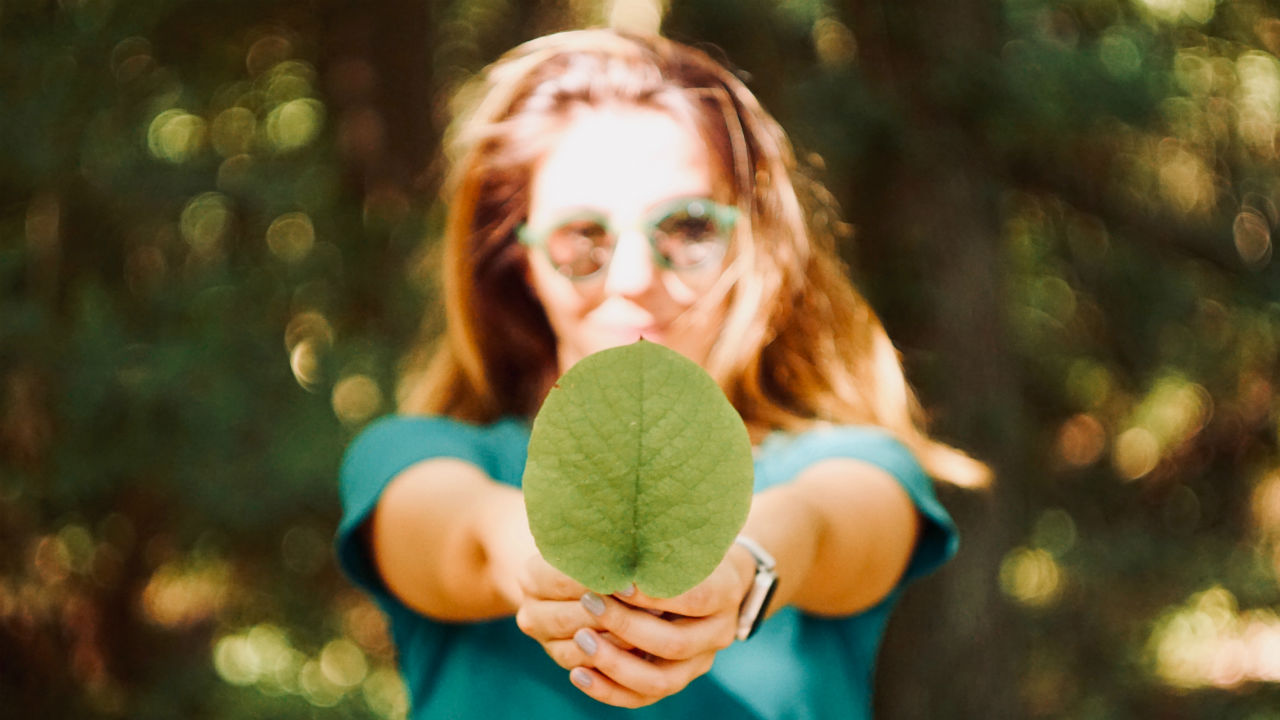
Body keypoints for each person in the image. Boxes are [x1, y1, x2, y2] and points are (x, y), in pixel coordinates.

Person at [335, 28, 988, 719]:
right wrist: (544, 564)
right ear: (519, 261)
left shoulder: (850, 464)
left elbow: (822, 527)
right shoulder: (411, 457)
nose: (635, 277)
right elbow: (462, 536)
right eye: (582, 237)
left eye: (688, 229)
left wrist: (742, 570)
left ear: (750, 241)